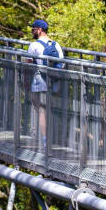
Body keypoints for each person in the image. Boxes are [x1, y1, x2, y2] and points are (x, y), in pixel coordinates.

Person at [26, 19, 64, 152]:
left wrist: (26, 84)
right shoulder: (57, 45)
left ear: (40, 30)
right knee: (50, 110)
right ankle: (53, 139)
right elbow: (62, 65)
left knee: (41, 111)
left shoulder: (34, 45)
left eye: (33, 29)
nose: (32, 31)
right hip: (54, 81)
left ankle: (45, 141)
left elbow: (29, 65)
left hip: (39, 81)